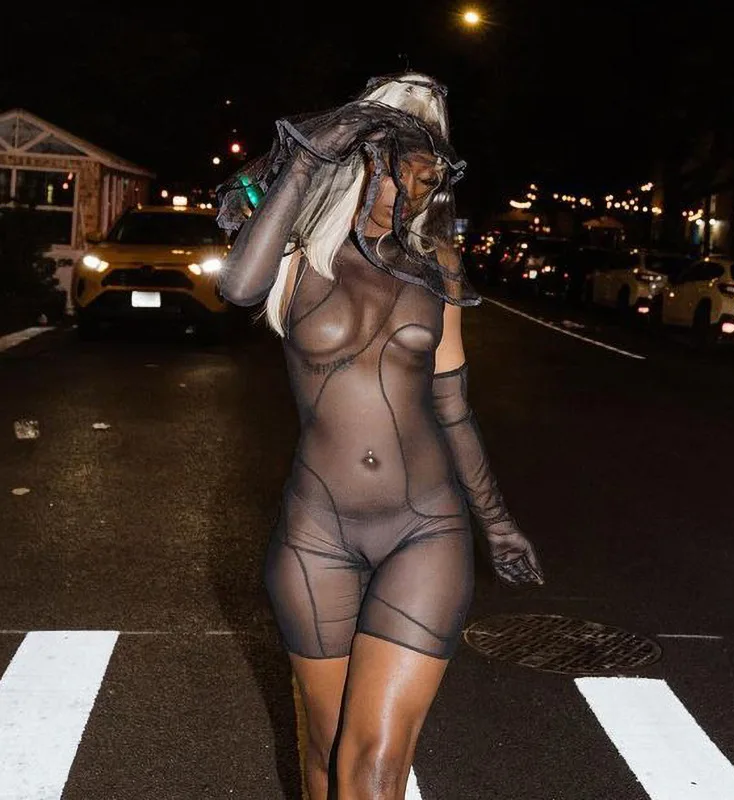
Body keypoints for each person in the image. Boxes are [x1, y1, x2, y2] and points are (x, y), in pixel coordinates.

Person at [215, 71, 544, 800]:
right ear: (363, 155)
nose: (410, 191)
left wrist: (496, 523)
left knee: (372, 769)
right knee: (325, 753)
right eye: (399, 166)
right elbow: (236, 287)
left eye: (428, 176)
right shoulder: (298, 251)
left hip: (425, 528)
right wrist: (319, 148)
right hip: (316, 534)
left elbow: (452, 407)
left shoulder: (437, 267)